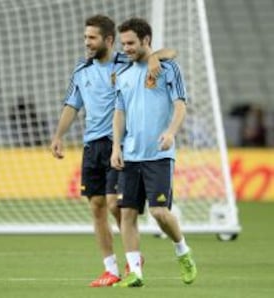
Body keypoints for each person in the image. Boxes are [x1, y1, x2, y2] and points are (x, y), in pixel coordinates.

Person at [50, 14, 177, 287]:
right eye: (85, 37)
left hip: (118, 144)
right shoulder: (80, 70)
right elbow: (72, 105)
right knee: (96, 208)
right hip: (91, 145)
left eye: (92, 37)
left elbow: (169, 52)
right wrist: (58, 136)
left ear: (108, 40)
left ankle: (134, 257)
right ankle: (111, 269)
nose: (87, 42)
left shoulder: (126, 62)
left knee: (113, 203)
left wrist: (155, 56)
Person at [110, 17, 197, 287]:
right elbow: (119, 112)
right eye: (123, 43)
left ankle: (182, 250)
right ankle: (135, 271)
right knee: (127, 213)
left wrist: (171, 132)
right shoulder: (122, 74)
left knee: (159, 212)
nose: (126, 48)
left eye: (131, 43)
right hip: (131, 154)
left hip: (159, 154)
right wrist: (116, 145)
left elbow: (180, 104)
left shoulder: (168, 68)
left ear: (146, 40)